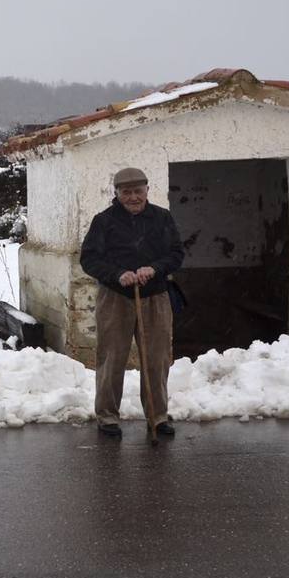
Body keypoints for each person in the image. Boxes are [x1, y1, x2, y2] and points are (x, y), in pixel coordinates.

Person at [79, 167, 185, 438]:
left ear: (147, 190)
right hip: (115, 297)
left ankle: (158, 416)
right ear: (116, 193)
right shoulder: (103, 221)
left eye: (138, 191)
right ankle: (107, 417)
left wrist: (155, 268)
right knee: (112, 357)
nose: (133, 197)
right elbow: (89, 259)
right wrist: (118, 274)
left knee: (157, 358)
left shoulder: (162, 218)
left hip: (155, 295)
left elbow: (176, 254)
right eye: (126, 192)